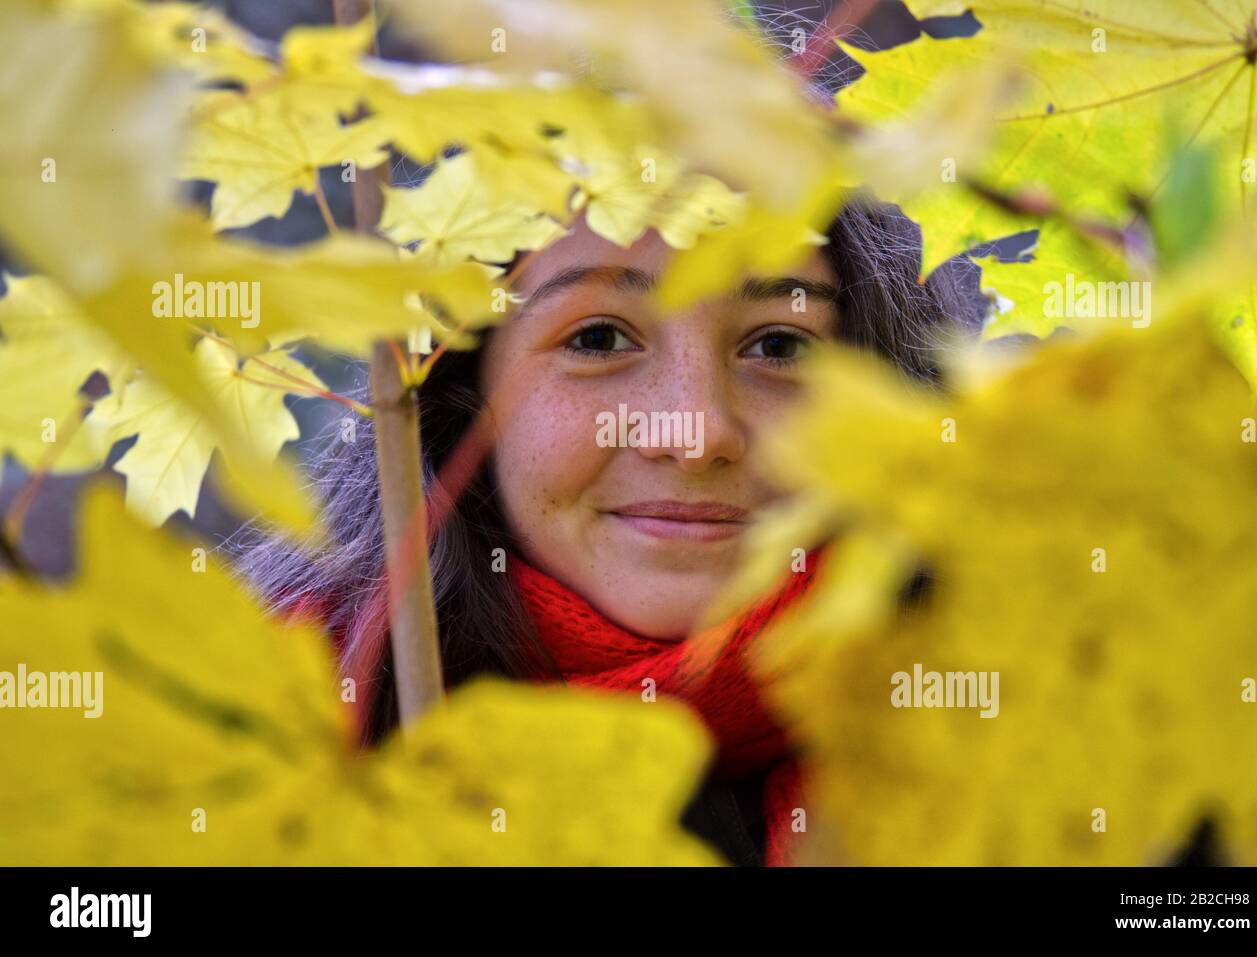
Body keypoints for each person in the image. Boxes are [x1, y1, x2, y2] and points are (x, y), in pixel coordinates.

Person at [228, 198, 985, 866]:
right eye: (598, 339)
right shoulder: (249, 749)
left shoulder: (1040, 729)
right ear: (463, 396)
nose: (697, 433)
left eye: (779, 345)